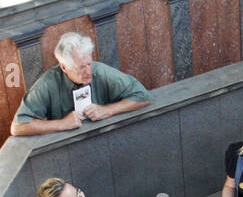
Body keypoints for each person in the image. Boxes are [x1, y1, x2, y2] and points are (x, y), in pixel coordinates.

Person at [10, 32, 151, 136]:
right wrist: (61, 124)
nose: (88, 71)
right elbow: (18, 127)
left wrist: (107, 110)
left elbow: (143, 96)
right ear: (64, 67)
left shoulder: (100, 71)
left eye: (89, 64)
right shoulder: (47, 83)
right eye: (81, 67)